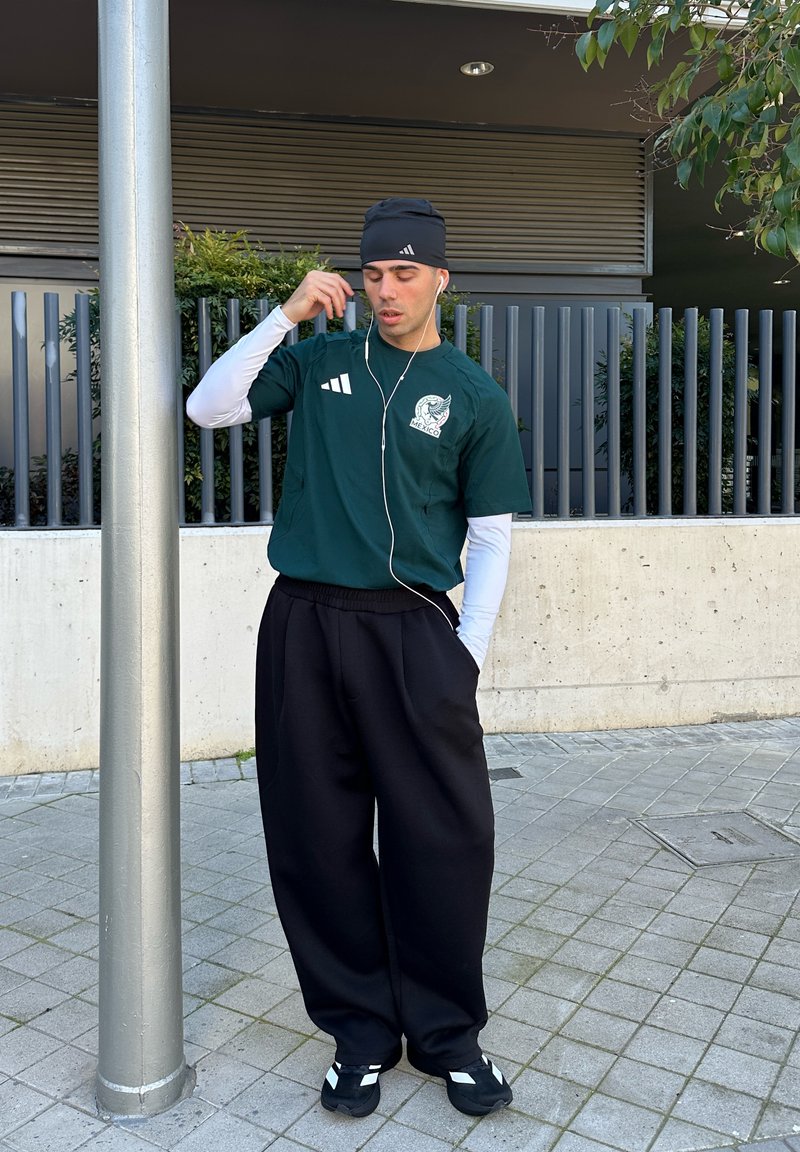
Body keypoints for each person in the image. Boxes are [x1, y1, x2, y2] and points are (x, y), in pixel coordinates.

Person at [187, 198, 531, 1118]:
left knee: (444, 838)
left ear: (440, 281)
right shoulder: (319, 359)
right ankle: (359, 1036)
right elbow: (208, 407)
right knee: (315, 838)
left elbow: (492, 537)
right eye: (375, 274)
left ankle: (449, 1037)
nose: (387, 290)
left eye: (406, 274)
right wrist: (284, 315)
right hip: (303, 624)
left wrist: (468, 656)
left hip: (417, 631)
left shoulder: (471, 394)